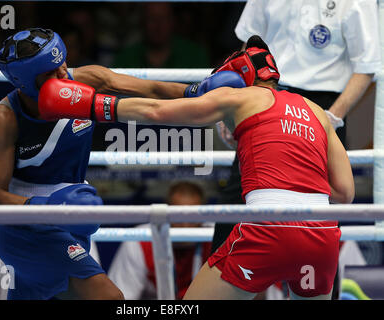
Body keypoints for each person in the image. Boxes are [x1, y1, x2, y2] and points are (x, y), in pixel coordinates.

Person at [38, 35, 355, 299]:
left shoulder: (241, 98)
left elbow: (156, 112)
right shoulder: (316, 112)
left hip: (267, 227)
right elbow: (344, 192)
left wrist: (88, 105)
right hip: (322, 234)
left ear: (241, 74)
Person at [0, 27, 195, 300]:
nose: (63, 75)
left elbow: (152, 89)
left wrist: (196, 90)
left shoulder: (86, 80)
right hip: (26, 227)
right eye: (51, 73)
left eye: (63, 65)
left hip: (72, 215)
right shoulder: (5, 120)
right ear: (24, 82)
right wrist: (50, 207)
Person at [213, 0, 381, 298]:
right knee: (236, 205)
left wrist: (331, 118)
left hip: (323, 106)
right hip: (263, 98)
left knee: (317, 219)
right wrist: (234, 105)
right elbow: (246, 47)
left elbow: (367, 67)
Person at [108, 181, 212, 300]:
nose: (185, 224)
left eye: (192, 217)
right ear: (166, 215)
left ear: (203, 218)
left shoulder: (213, 238)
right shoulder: (141, 239)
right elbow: (122, 299)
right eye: (178, 217)